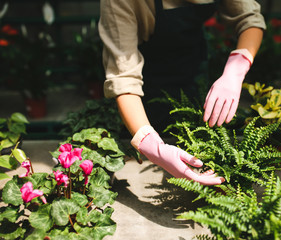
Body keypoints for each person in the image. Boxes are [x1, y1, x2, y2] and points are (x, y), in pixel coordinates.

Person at [98, 0, 266, 185]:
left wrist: (235, 70)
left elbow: (249, 18)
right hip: (148, 78)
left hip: (194, 61)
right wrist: (152, 145)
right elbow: (124, 78)